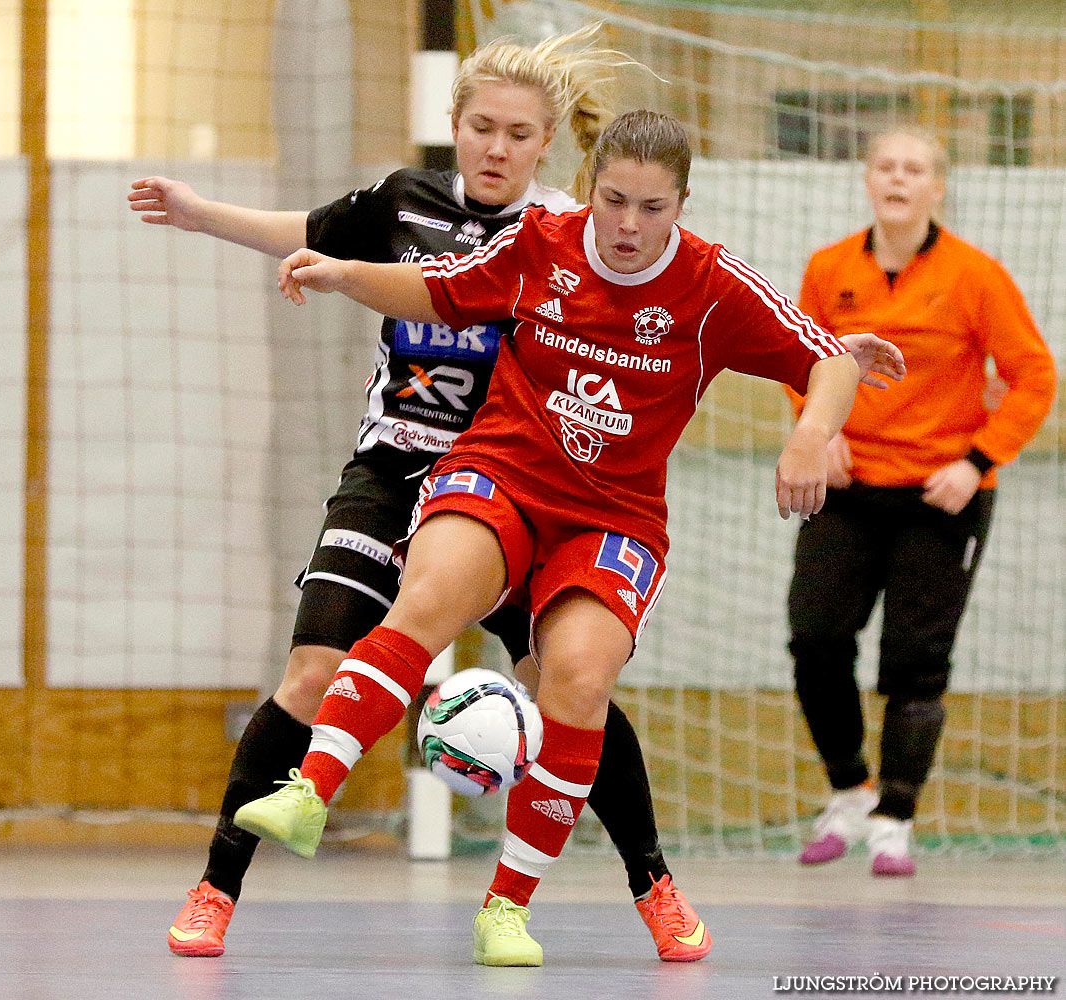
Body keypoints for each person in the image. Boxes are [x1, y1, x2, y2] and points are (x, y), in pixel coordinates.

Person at [230, 109, 904, 967]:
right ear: (588, 187)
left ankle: (505, 910)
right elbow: (436, 287)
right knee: (429, 597)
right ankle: (310, 789)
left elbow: (830, 360)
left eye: (651, 208)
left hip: (611, 518)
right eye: (613, 199)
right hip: (501, 476)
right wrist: (343, 275)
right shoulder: (541, 243)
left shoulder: (711, 284)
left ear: (681, 204)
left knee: (578, 681)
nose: (627, 225)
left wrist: (810, 437)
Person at [130, 26, 709, 962]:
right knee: (312, 676)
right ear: (455, 124)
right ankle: (214, 890)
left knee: (568, 684)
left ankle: (654, 884)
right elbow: (313, 235)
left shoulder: (567, 233)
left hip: (516, 486)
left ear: (547, 141)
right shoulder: (404, 201)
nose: (495, 148)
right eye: (481, 127)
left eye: (518, 134)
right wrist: (201, 214)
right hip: (398, 469)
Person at [787, 128, 1057, 877]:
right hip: (846, 487)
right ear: (866, 178)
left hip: (940, 497)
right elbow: (795, 358)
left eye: (914, 170)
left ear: (937, 187)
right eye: (885, 166)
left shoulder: (976, 276)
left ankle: (894, 819)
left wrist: (977, 461)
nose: (898, 180)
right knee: (814, 640)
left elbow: (1033, 378)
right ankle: (848, 788)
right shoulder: (827, 268)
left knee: (914, 659)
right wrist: (816, 433)